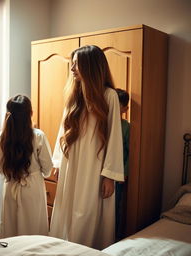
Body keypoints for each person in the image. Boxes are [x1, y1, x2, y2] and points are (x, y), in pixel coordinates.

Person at [49, 45, 124, 250]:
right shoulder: (74, 97)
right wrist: (57, 162)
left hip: (95, 166)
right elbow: (62, 132)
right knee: (67, 210)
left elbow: (115, 137)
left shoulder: (109, 96)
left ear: (90, 66)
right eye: (72, 63)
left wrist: (109, 175)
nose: (72, 68)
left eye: (76, 64)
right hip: (71, 163)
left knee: (86, 212)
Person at [0, 94, 53, 238]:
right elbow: (47, 169)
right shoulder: (38, 136)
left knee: (11, 228)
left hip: (10, 187)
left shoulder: (3, 136)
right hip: (32, 188)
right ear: (30, 113)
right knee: (33, 230)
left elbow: (0, 167)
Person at [115, 88, 130, 241]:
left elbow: (130, 151)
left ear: (125, 109)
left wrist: (124, 172)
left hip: (118, 174)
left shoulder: (126, 127)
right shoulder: (103, 123)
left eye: (117, 105)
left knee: (115, 207)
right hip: (100, 172)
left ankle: (114, 235)